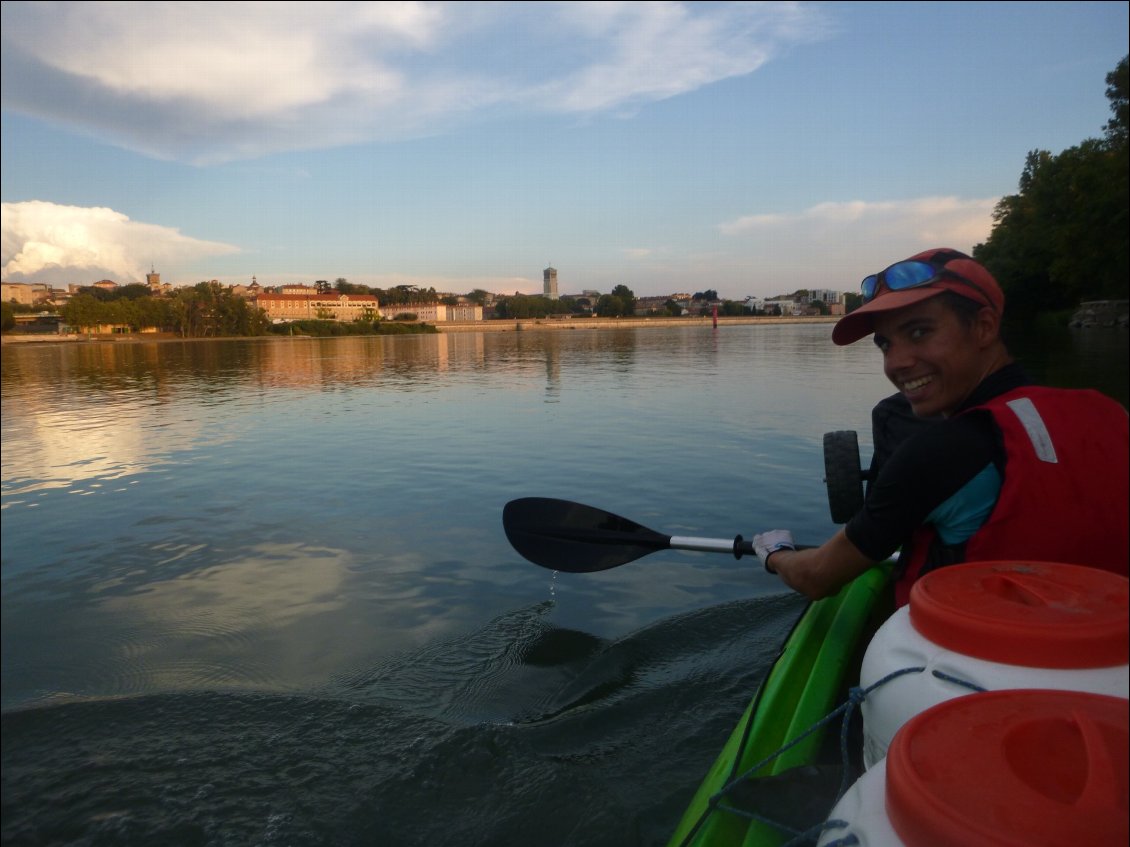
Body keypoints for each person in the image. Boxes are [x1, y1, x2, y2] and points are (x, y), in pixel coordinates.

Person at [753, 247, 1129, 606]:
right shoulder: (1109, 413)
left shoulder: (940, 453)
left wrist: (776, 554)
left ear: (983, 327)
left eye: (919, 332)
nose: (896, 362)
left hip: (995, 662)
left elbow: (817, 577)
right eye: (885, 344)